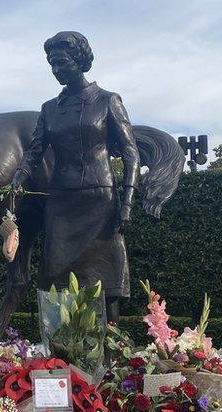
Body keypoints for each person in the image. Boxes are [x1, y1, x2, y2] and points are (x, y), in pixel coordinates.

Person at [10, 31, 140, 322]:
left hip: (100, 199)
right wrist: (19, 175)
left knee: (105, 275)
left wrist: (127, 203)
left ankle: (109, 346)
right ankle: (61, 345)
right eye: (52, 65)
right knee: (55, 272)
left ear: (79, 61)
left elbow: (131, 154)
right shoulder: (49, 109)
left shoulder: (107, 101)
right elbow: (34, 151)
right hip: (61, 201)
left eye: (61, 63)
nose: (56, 71)